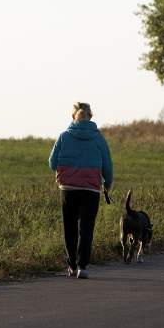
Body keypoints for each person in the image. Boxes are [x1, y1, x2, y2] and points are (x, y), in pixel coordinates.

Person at [48, 102, 113, 279]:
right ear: (90, 117)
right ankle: (82, 267)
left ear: (73, 117)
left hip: (68, 189)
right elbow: (107, 165)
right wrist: (107, 185)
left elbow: (52, 163)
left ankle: (71, 265)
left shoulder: (63, 137)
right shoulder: (98, 138)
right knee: (86, 229)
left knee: (69, 228)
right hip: (91, 190)